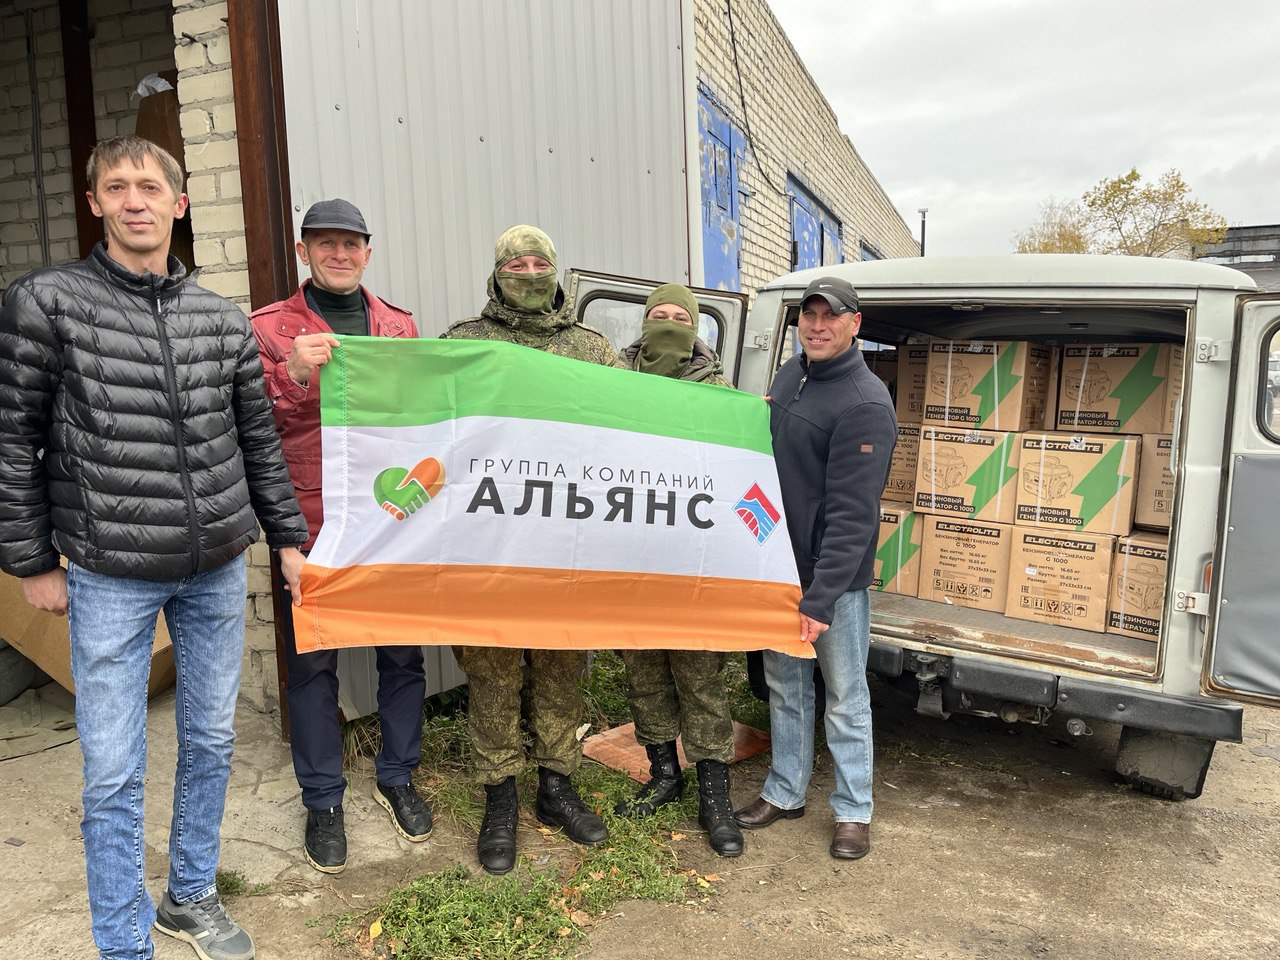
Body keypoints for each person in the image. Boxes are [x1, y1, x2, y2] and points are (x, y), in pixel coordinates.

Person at [0, 135, 308, 960]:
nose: (134, 199)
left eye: (150, 185)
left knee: (209, 741)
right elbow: (13, 438)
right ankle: (123, 941)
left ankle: (190, 896)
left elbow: (258, 440)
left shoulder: (219, 319)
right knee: (113, 768)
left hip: (214, 567)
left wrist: (287, 539)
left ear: (180, 202)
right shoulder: (47, 302)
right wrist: (31, 561)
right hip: (108, 572)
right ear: (95, 203)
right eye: (115, 186)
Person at [250, 199, 431, 875]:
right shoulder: (270, 330)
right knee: (313, 668)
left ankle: (397, 775)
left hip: (389, 520)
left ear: (367, 251)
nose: (339, 253)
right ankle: (323, 798)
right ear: (304, 252)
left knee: (402, 657)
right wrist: (294, 374)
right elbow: (252, 432)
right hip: (311, 524)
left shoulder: (399, 326)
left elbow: (422, 421)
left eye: (350, 243)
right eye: (324, 243)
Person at [442, 224, 624, 874]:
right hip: (490, 544)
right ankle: (499, 799)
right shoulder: (464, 344)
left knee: (558, 671)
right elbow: (432, 425)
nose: (528, 271)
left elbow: (634, 427)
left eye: (539, 262)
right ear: (497, 271)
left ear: (556, 270)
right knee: (492, 677)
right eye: (516, 262)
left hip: (565, 545)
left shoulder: (591, 349)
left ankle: (556, 787)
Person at [732, 276, 896, 861]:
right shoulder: (790, 375)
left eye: (832, 316)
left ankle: (854, 811)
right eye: (809, 315)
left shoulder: (865, 403)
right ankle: (785, 790)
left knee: (846, 694)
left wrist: (820, 599)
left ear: (856, 324)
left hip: (830, 583)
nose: (818, 326)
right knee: (784, 686)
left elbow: (854, 517)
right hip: (776, 568)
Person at [614, 284, 743, 857]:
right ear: (644, 325)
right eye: (658, 316)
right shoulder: (609, 383)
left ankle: (714, 792)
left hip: (692, 559)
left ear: (697, 329)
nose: (668, 324)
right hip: (627, 552)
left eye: (679, 317)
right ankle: (664, 773)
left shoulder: (719, 393)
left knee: (700, 675)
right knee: (643, 670)